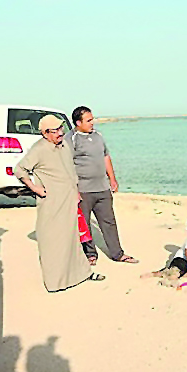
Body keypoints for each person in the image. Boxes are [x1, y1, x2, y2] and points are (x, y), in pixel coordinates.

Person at [14, 115, 106, 292]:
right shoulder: (39, 149)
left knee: (72, 238)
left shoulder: (64, 145)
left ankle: (82, 274)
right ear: (45, 133)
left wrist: (76, 192)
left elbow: (69, 171)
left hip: (70, 199)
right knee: (53, 242)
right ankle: (56, 283)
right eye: (54, 130)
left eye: (60, 129)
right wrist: (36, 188)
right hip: (52, 202)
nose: (59, 133)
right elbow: (20, 169)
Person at [68, 106, 137, 265]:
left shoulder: (98, 136)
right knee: (84, 224)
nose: (93, 123)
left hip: (102, 188)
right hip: (83, 190)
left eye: (92, 119)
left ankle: (118, 254)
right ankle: (90, 254)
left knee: (109, 222)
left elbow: (106, 157)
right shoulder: (70, 139)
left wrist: (112, 179)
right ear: (78, 122)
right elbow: (67, 165)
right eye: (89, 120)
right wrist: (73, 189)